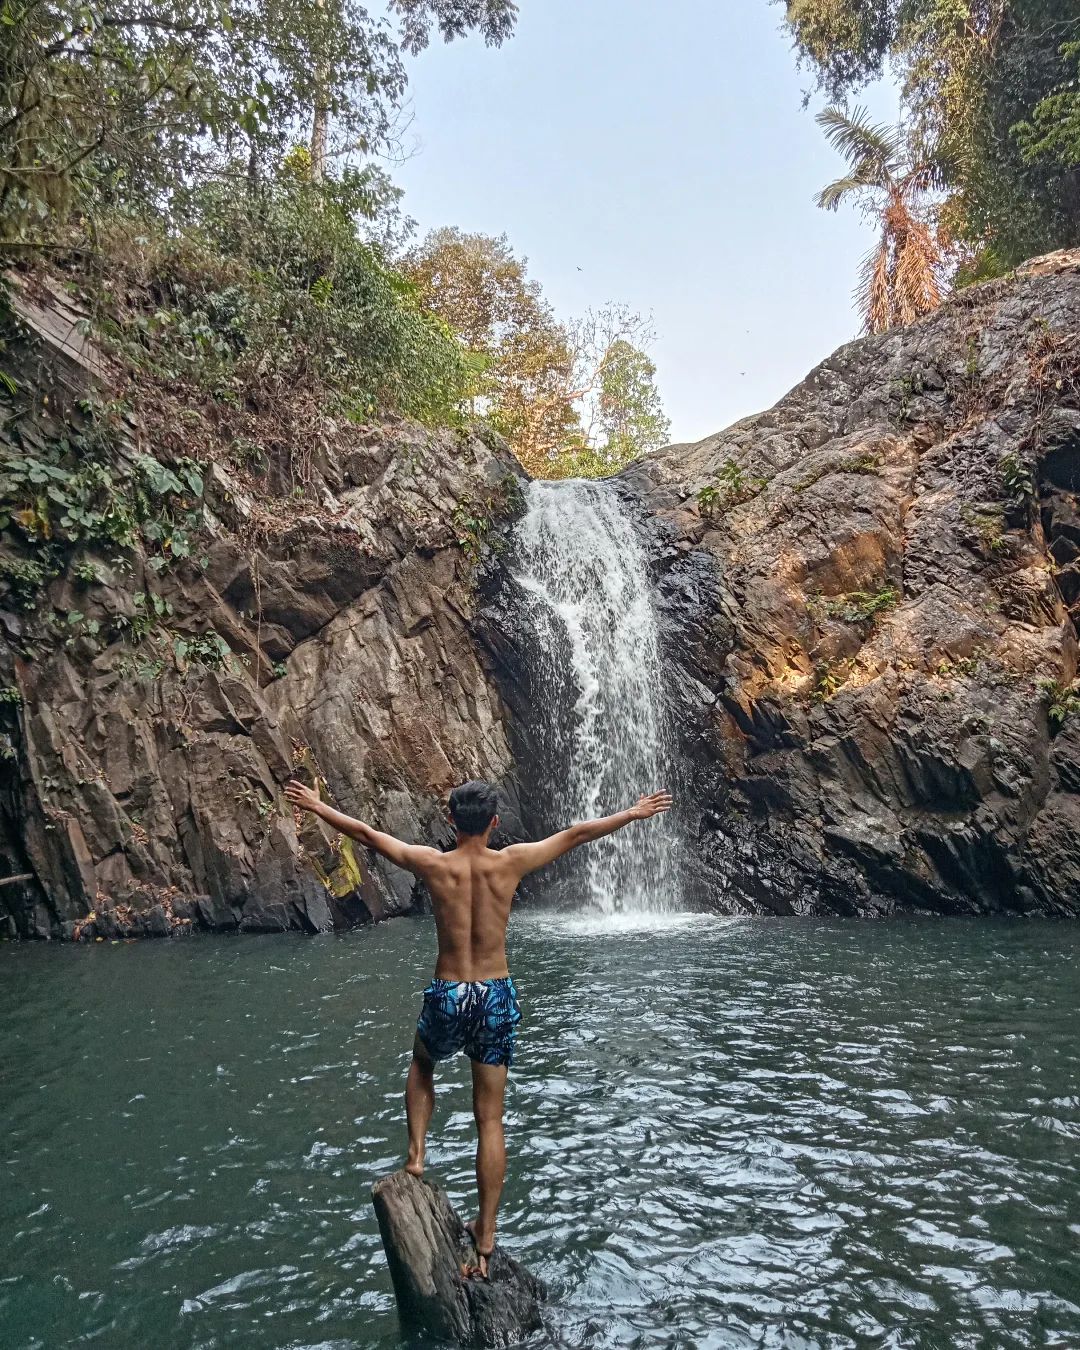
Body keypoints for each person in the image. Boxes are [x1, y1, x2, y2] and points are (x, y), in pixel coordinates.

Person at [284, 776, 673, 1276]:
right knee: (490, 1119)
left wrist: (318, 806)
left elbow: (366, 834)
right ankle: (485, 1238)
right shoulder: (510, 863)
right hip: (494, 992)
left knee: (422, 1062)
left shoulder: (433, 864)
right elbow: (577, 833)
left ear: (451, 820)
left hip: (449, 991)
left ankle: (417, 1157)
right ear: (494, 822)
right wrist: (632, 813)